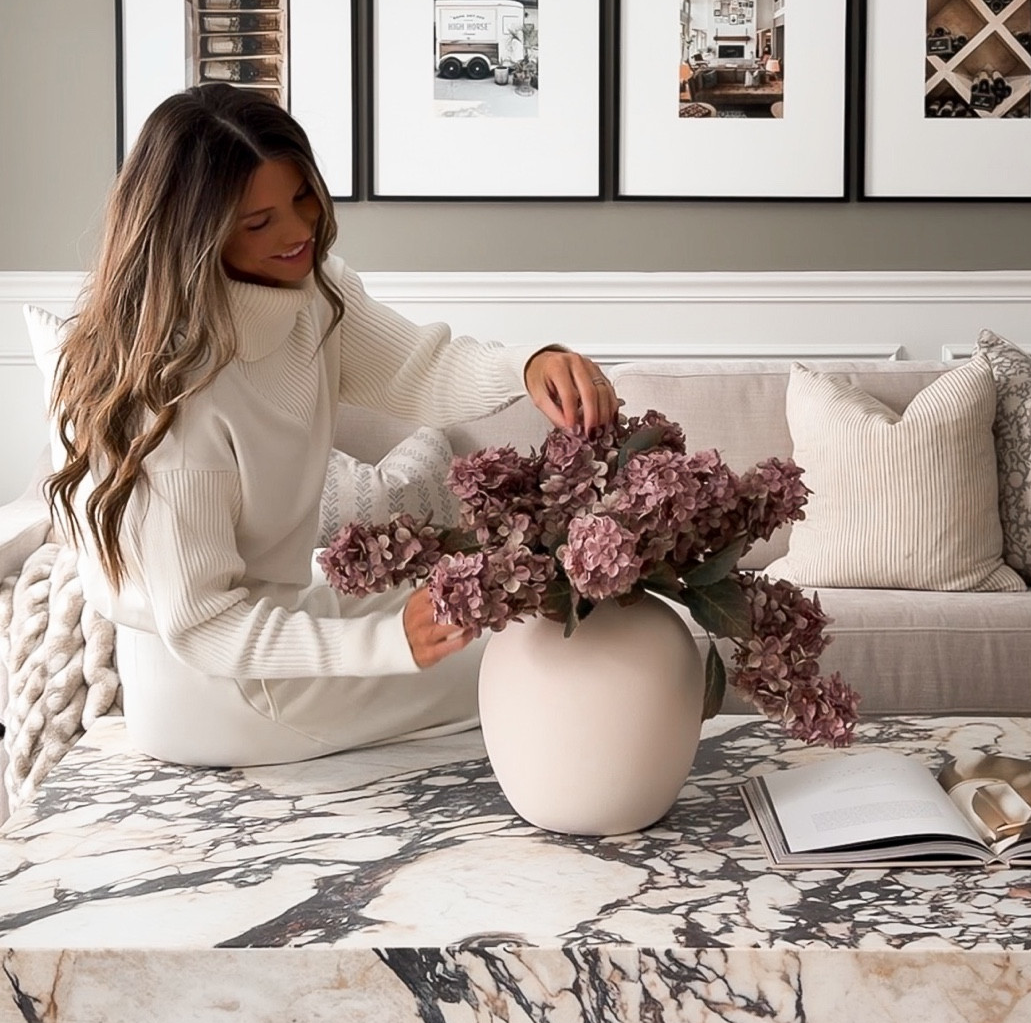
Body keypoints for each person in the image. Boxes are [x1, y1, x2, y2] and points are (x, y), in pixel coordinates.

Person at [46, 85, 618, 768]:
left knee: (538, 614)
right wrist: (386, 645)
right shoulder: (175, 398)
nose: (296, 234)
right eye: (257, 223)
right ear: (190, 237)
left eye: (302, 199)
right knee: (552, 660)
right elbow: (203, 623)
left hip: (277, 625)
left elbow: (417, 367)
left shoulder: (313, 293)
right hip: (224, 688)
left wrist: (529, 366)